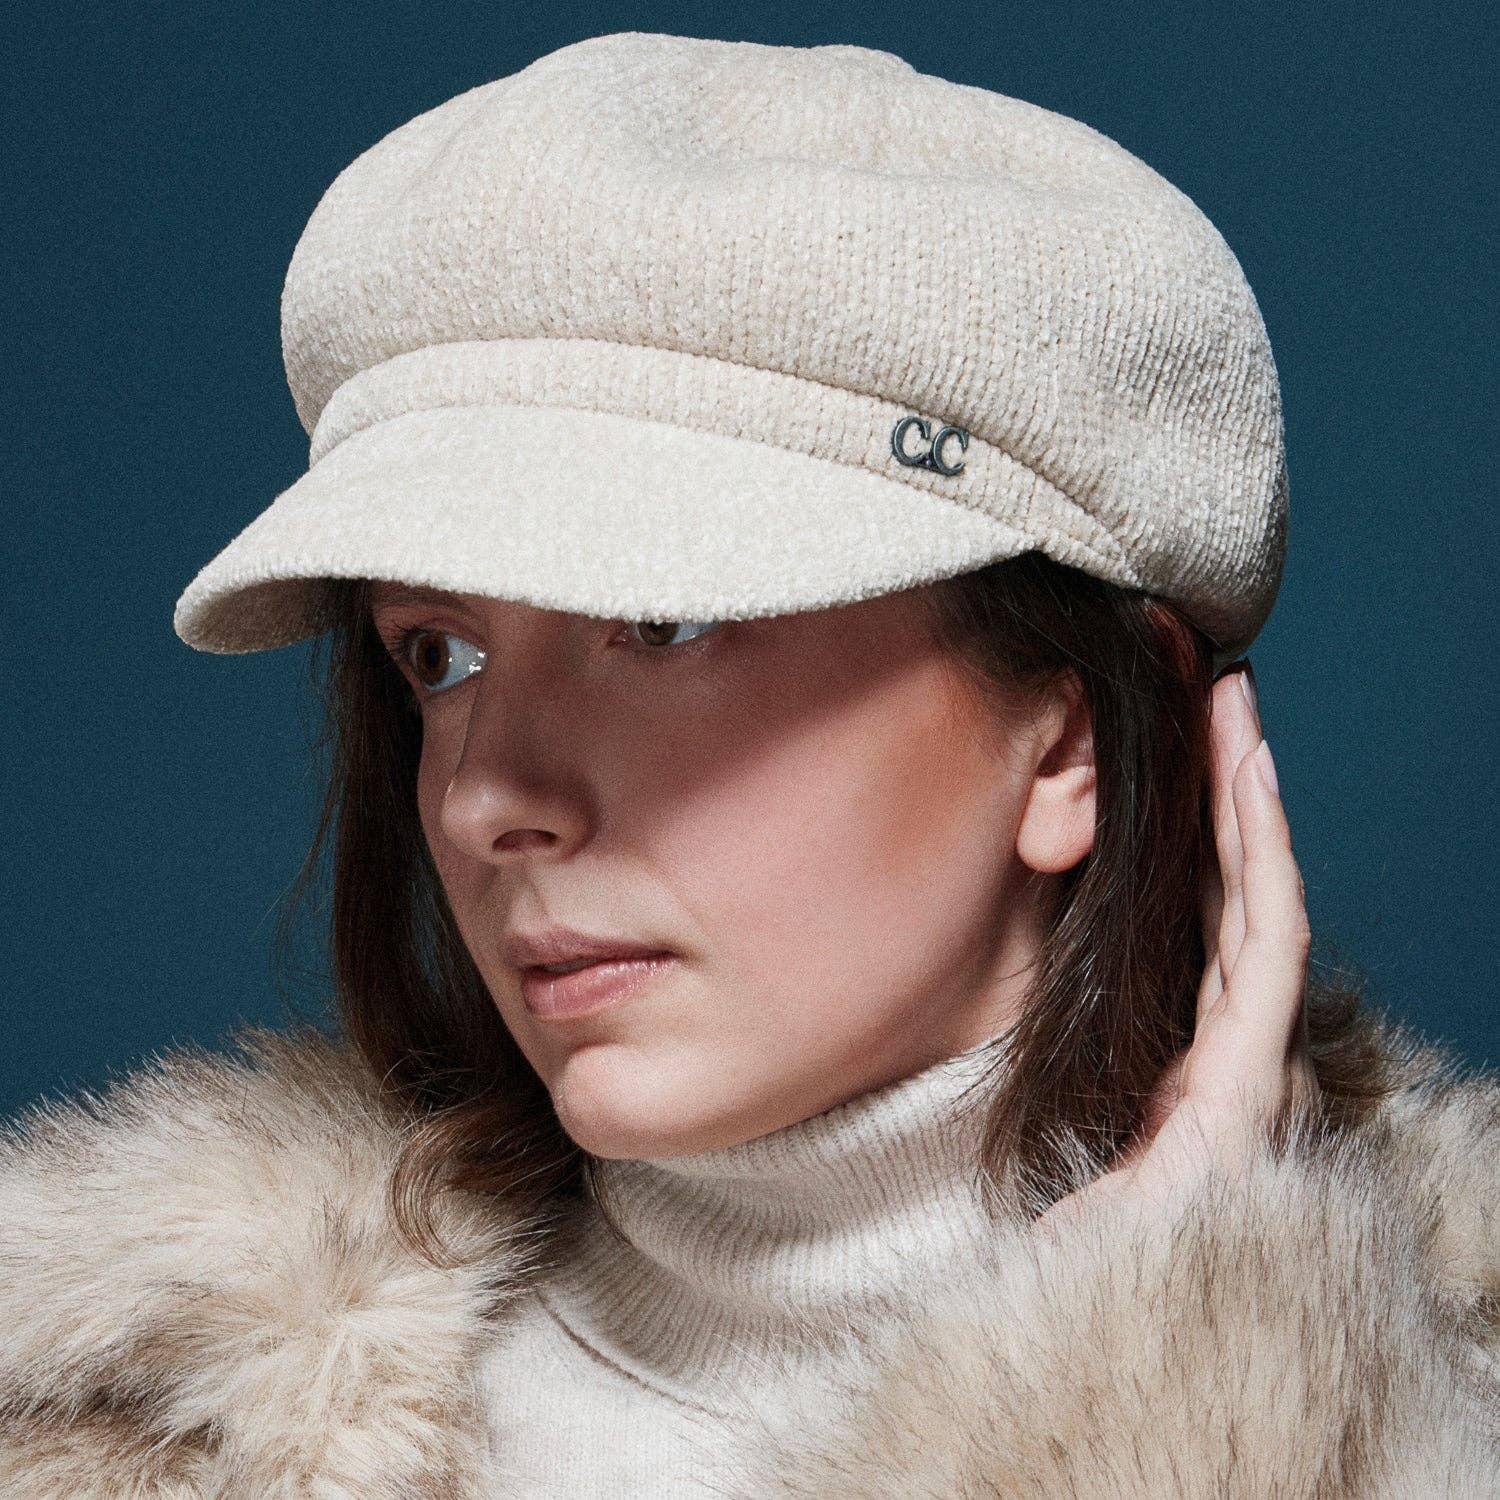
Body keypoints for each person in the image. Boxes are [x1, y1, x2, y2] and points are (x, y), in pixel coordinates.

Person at [1, 31, 1495, 1498]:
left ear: (1071, 740)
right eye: (438, 654)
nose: (484, 796)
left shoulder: (1437, 1422)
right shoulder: (129, 1429)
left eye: (664, 621)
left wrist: (1185, 1396)